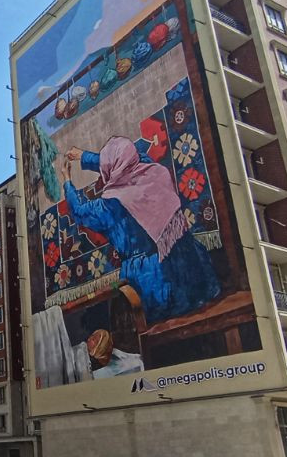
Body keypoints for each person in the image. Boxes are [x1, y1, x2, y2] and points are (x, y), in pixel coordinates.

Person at [64, 136, 220, 323]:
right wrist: (83, 156)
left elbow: (79, 212)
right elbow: (123, 159)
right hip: (192, 272)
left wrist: (67, 181)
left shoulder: (109, 206)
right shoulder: (155, 172)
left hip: (154, 283)